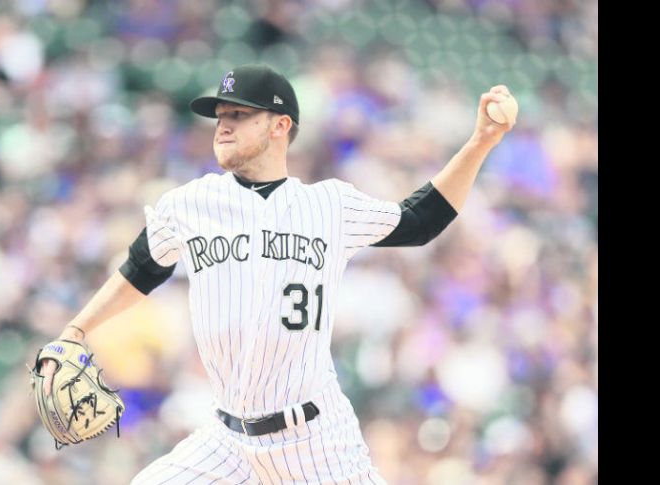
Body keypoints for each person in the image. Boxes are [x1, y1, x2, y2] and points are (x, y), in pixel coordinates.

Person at [39, 63, 516, 483]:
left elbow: (420, 221)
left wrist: (480, 142)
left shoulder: (329, 204)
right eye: (220, 117)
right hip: (227, 443)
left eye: (239, 115)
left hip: (316, 441)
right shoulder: (189, 204)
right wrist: (76, 329)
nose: (222, 127)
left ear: (280, 125)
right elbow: (140, 270)